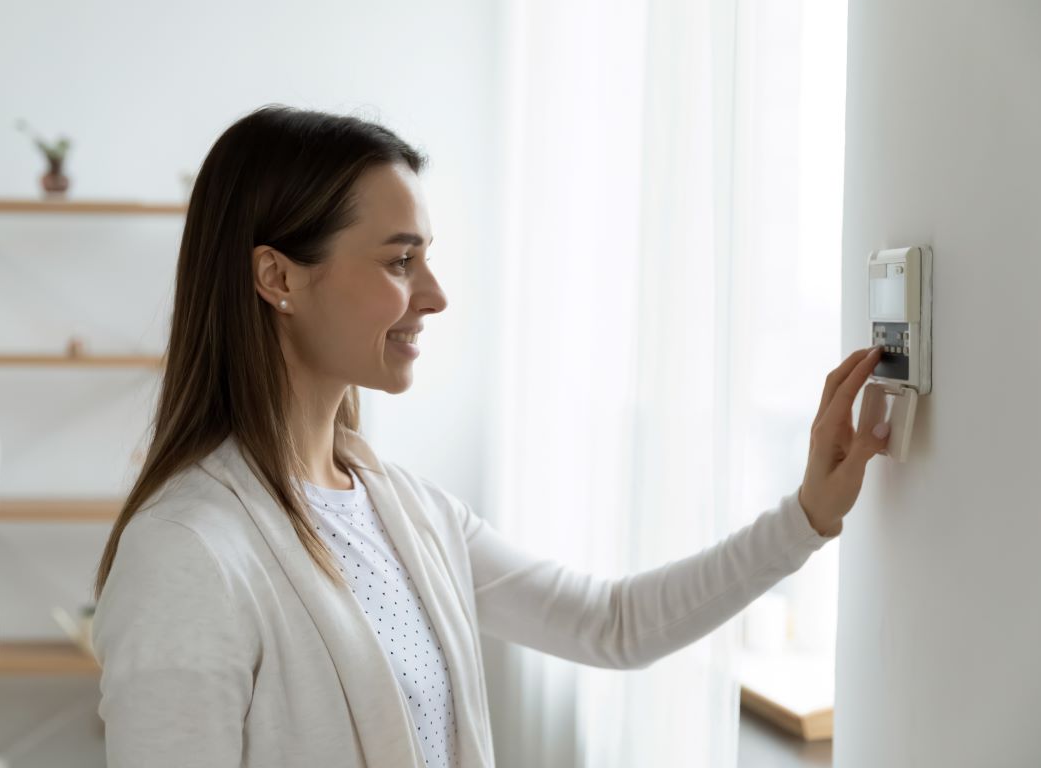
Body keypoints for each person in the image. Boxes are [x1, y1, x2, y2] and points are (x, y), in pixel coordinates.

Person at [90, 105, 889, 768]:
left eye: (426, 259)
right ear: (278, 278)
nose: (434, 295)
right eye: (400, 261)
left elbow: (613, 624)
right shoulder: (188, 552)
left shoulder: (404, 512)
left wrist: (808, 515)